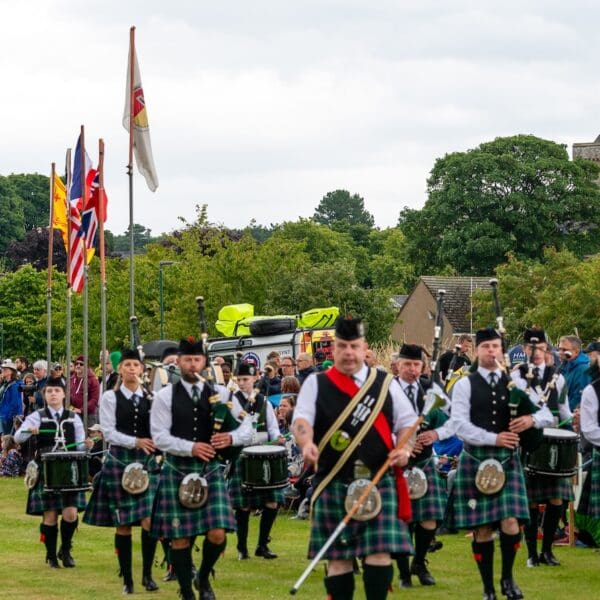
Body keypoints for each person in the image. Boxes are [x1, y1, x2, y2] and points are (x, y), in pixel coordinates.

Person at [293, 317, 416, 600]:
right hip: (334, 478)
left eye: (354, 346)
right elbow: (302, 419)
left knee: (380, 552)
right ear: (333, 349)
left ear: (365, 349)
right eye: (342, 346)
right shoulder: (317, 383)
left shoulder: (384, 383)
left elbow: (408, 422)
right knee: (338, 559)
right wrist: (306, 442)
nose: (348, 352)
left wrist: (405, 449)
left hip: (376, 478)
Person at [450, 327, 554, 600]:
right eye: (486, 347)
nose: (491, 351)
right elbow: (459, 424)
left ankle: (508, 579)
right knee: (482, 527)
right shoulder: (464, 384)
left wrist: (530, 420)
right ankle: (488, 589)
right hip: (476, 458)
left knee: (510, 522)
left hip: (507, 462)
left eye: (496, 347)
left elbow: (546, 413)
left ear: (502, 350)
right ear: (477, 350)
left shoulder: (516, 383)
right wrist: (493, 438)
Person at [150, 338, 253, 600]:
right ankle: (186, 592)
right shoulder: (165, 396)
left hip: (210, 470)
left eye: (197, 359)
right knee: (180, 539)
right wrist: (191, 447)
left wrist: (231, 438)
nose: (192, 364)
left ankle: (204, 577)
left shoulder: (224, 394)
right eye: (187, 360)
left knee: (218, 533)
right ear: (178, 363)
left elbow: (247, 427)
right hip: (177, 467)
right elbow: (159, 437)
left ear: (204, 362)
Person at [83, 348, 160, 594]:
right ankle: (127, 579)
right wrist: (136, 442)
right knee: (123, 524)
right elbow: (109, 431)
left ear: (142, 370)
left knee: (150, 520)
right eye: (126, 365)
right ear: (119, 369)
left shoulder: (153, 397)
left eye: (135, 366)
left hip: (147, 462)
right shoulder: (110, 398)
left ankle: (147, 574)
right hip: (120, 460)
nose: (131, 369)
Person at [511, 328, 573, 567]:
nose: (536, 353)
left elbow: (564, 410)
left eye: (541, 348)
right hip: (529, 441)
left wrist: (573, 422)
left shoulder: (558, 377)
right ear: (525, 350)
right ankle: (531, 553)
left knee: (557, 498)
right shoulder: (515, 377)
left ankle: (548, 551)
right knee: (531, 501)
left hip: (554, 443)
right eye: (531, 348)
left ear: (547, 349)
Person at [14, 378, 90, 568]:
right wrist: (29, 431)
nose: (53, 394)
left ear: (64, 394)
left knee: (71, 513)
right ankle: (51, 556)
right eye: (49, 391)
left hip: (70, 470)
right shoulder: (37, 416)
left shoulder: (74, 417)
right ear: (44, 395)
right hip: (46, 470)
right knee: (50, 515)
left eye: (57, 391)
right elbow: (17, 437)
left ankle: (65, 550)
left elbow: (80, 446)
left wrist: (87, 445)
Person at [393, 343, 452, 588]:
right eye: (407, 364)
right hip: (397, 462)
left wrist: (436, 434)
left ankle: (419, 562)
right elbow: (377, 426)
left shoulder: (430, 388)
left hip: (425, 460)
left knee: (429, 518)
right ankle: (404, 571)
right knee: (401, 520)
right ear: (398, 365)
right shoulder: (388, 389)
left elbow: (454, 420)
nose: (412, 369)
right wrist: (402, 442)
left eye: (417, 364)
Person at [228, 362, 285, 561]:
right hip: (241, 457)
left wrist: (278, 438)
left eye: (246, 379)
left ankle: (262, 545)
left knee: (272, 502)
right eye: (240, 380)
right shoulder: (231, 402)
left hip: (263, 457)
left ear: (255, 378)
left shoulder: (264, 402)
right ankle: (242, 547)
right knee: (243, 506)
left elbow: (273, 428)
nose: (243, 383)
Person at [559, 335, 591, 412]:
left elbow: (579, 398)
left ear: (576, 352)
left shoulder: (583, 370)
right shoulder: (564, 366)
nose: (560, 352)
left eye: (564, 350)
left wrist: (562, 413)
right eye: (559, 349)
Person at [69, 355, 100, 427]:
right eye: (76, 364)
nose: (78, 366)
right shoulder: (71, 379)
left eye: (81, 364)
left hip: (88, 416)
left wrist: (81, 410)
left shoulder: (93, 380)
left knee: (88, 437)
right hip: (74, 414)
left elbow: (94, 400)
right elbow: (67, 395)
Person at [0, 359, 23, 434]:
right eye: (2, 369)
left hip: (9, 418)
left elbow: (15, 403)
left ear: (11, 371)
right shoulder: (6, 384)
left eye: (5, 369)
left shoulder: (14, 385)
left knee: (9, 441)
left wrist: (8, 416)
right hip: (4, 416)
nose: (2, 370)